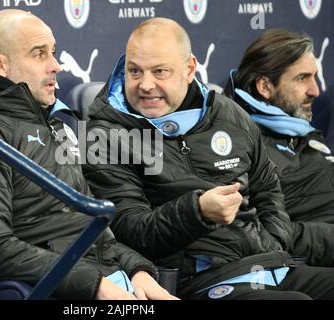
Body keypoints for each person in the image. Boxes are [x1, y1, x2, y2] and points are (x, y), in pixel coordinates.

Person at [82, 18, 334, 300]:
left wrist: (273, 243)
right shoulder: (105, 135)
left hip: (269, 266)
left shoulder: (226, 112)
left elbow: (268, 189)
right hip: (195, 282)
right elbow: (128, 231)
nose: (146, 84)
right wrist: (197, 212)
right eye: (135, 71)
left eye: (160, 71)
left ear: (189, 69)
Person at [0, 9, 178, 300]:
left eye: (53, 52)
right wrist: (96, 285)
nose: (56, 65)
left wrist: (137, 270)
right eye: (39, 54)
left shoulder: (55, 124)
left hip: (100, 279)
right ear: (0, 64)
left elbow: (92, 230)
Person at [224, 29, 334, 224]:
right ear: (265, 87)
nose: (315, 90)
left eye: (314, 77)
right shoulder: (244, 149)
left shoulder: (303, 132)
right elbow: (258, 236)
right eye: (302, 78)